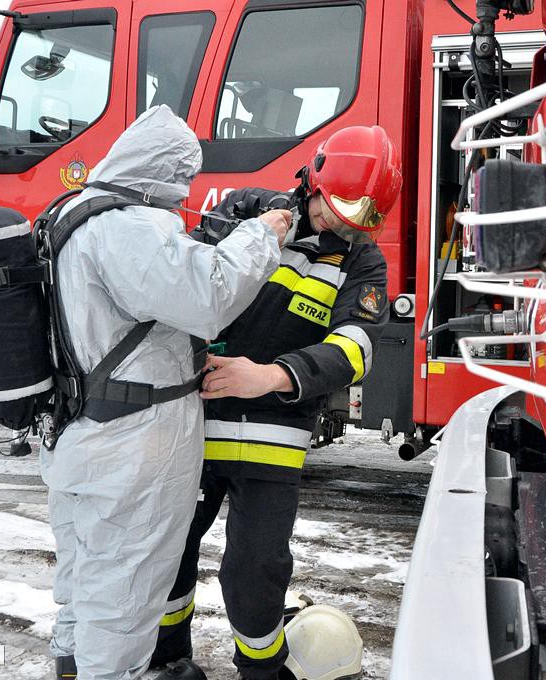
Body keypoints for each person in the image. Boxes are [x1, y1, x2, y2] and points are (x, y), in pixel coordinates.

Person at [41, 105, 291, 680]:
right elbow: (209, 295)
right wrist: (261, 234)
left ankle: (73, 665)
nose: (183, 193)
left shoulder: (73, 212)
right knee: (126, 584)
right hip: (130, 441)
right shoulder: (126, 227)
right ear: (164, 169)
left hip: (82, 426)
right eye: (182, 176)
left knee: (87, 571)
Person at [151, 125, 403, 680]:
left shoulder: (362, 264)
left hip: (273, 440)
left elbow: (354, 349)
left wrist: (267, 376)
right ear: (313, 179)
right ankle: (168, 660)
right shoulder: (247, 211)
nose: (342, 224)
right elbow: (183, 281)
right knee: (169, 552)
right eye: (337, 207)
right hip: (193, 423)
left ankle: (261, 671)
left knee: (257, 570)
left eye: (360, 217)